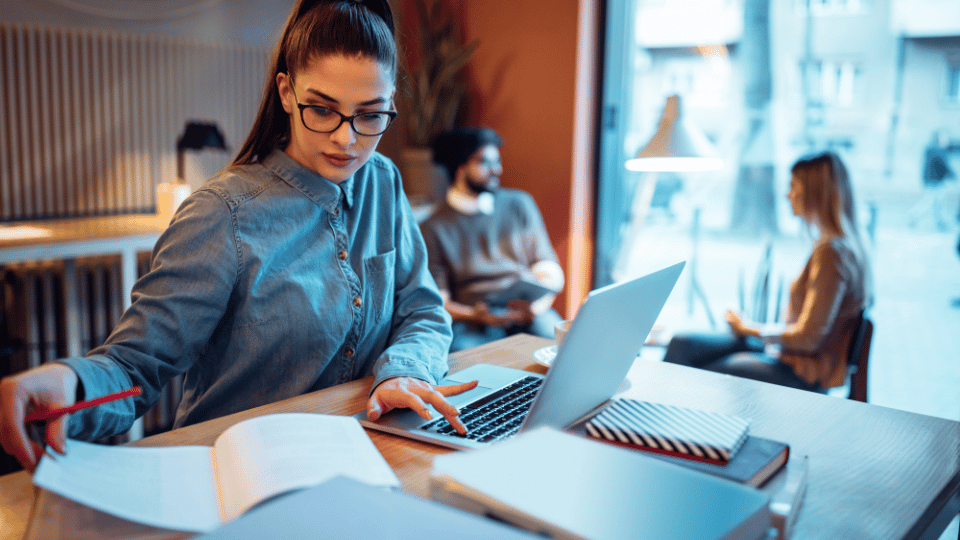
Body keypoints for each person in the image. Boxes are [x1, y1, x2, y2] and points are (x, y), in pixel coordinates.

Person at [0, 0, 477, 473]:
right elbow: (136, 366)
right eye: (322, 110)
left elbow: (421, 308)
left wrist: (406, 371)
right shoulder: (221, 213)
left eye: (370, 115)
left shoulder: (383, 181)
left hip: (364, 456)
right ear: (287, 92)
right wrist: (69, 381)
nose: (346, 140)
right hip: (238, 473)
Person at [663, 151, 873, 392]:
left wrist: (748, 328)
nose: (788, 195)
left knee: (707, 371)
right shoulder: (845, 246)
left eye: (794, 186)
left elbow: (808, 338)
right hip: (787, 356)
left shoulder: (831, 252)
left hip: (803, 371)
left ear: (815, 193)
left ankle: (657, 426)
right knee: (682, 343)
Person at [420, 127, 565, 352]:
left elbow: (548, 268)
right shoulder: (433, 227)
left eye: (497, 161)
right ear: (459, 167)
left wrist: (536, 307)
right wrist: (476, 316)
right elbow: (440, 303)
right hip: (473, 321)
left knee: (561, 350)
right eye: (485, 163)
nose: (497, 170)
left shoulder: (519, 204)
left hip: (528, 312)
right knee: (466, 359)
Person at [908, 130, 955, 231]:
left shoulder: (932, 149)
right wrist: (952, 175)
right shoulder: (938, 151)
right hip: (935, 181)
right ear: (938, 139)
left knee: (937, 203)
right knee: (931, 202)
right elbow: (944, 166)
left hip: (932, 180)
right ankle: (914, 215)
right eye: (944, 138)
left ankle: (941, 223)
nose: (946, 140)